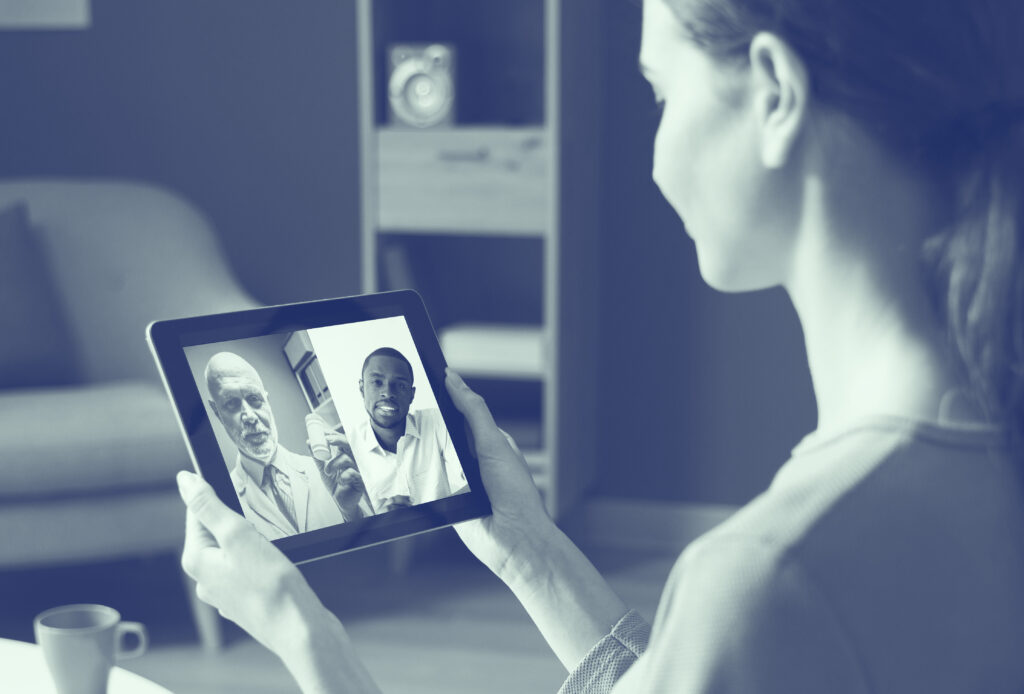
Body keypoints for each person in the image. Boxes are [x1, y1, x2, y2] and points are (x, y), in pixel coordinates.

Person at [178, 0, 1024, 691]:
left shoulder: (769, 577)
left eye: (662, 93)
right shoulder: (980, 460)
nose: (656, 163)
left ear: (775, 92)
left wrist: (302, 629)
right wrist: (530, 550)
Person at [204, 352, 369, 539]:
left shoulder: (331, 474)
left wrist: (351, 513)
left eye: (254, 398)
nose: (249, 416)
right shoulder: (222, 506)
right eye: (231, 403)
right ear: (217, 413)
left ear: (267, 400)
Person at [348, 347, 468, 512]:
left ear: (412, 395)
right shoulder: (349, 448)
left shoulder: (437, 420)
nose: (388, 393)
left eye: (400, 385)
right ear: (362, 388)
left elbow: (476, 481)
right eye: (377, 382)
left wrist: (421, 517)